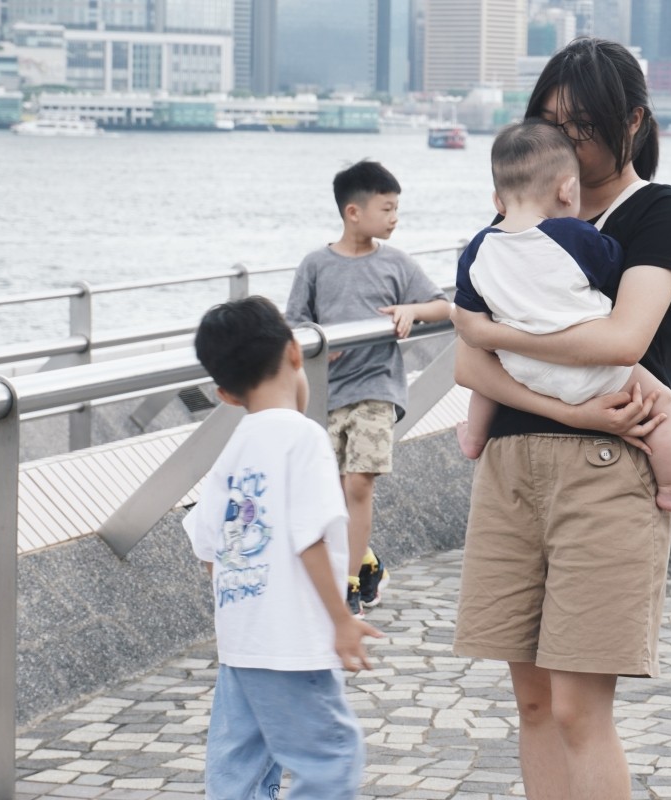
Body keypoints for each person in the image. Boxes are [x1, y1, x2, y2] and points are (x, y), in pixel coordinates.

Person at [450, 38, 671, 800]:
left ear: (632, 121)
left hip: (606, 475)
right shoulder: (517, 216)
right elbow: (468, 368)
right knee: (530, 704)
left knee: (576, 710)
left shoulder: (658, 213)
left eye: (581, 124)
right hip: (510, 469)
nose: (563, 139)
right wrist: (573, 406)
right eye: (550, 122)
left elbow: (624, 339)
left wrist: (489, 331)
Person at [455, 119, 671, 521]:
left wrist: (492, 331)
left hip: (519, 370)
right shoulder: (574, 236)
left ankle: (473, 439)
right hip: (591, 375)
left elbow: (469, 318)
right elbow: (614, 273)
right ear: (567, 190)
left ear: (497, 200)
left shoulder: (478, 249)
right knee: (662, 402)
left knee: (486, 386)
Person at [184, 296, 382, 800]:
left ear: (225, 394)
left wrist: (248, 604)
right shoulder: (304, 437)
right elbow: (308, 536)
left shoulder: (235, 448)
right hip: (293, 645)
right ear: (295, 352)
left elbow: (208, 544)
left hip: (241, 643)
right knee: (331, 759)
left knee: (238, 770)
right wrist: (340, 618)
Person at [285, 160, 452, 616]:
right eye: (387, 208)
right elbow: (294, 324)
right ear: (353, 212)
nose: (395, 217)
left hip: (378, 389)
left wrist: (411, 310)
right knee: (332, 492)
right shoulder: (315, 265)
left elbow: (442, 305)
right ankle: (369, 562)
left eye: (397, 208)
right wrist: (317, 347)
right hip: (327, 395)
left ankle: (348, 584)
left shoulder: (396, 263)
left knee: (359, 483)